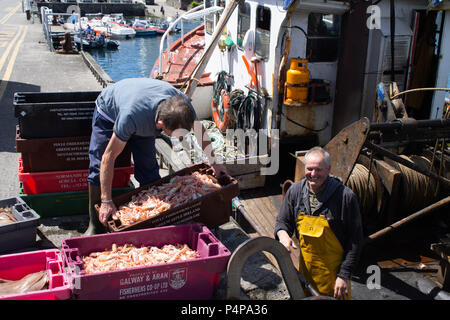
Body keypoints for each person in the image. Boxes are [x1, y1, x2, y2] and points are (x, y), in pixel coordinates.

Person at [85, 78, 227, 235]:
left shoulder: (184, 106)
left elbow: (200, 131)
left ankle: (150, 218)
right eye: (174, 135)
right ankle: (94, 225)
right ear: (160, 125)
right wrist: (106, 200)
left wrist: (215, 162)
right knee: (98, 167)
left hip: (143, 112)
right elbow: (108, 157)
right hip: (109, 111)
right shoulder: (130, 117)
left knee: (149, 170)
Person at [274, 146, 363, 299]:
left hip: (335, 280)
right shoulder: (294, 192)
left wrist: (344, 275)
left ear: (328, 169)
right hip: (306, 275)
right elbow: (282, 221)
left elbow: (355, 241)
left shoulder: (346, 197)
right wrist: (283, 235)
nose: (313, 174)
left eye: (319, 170)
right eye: (310, 169)